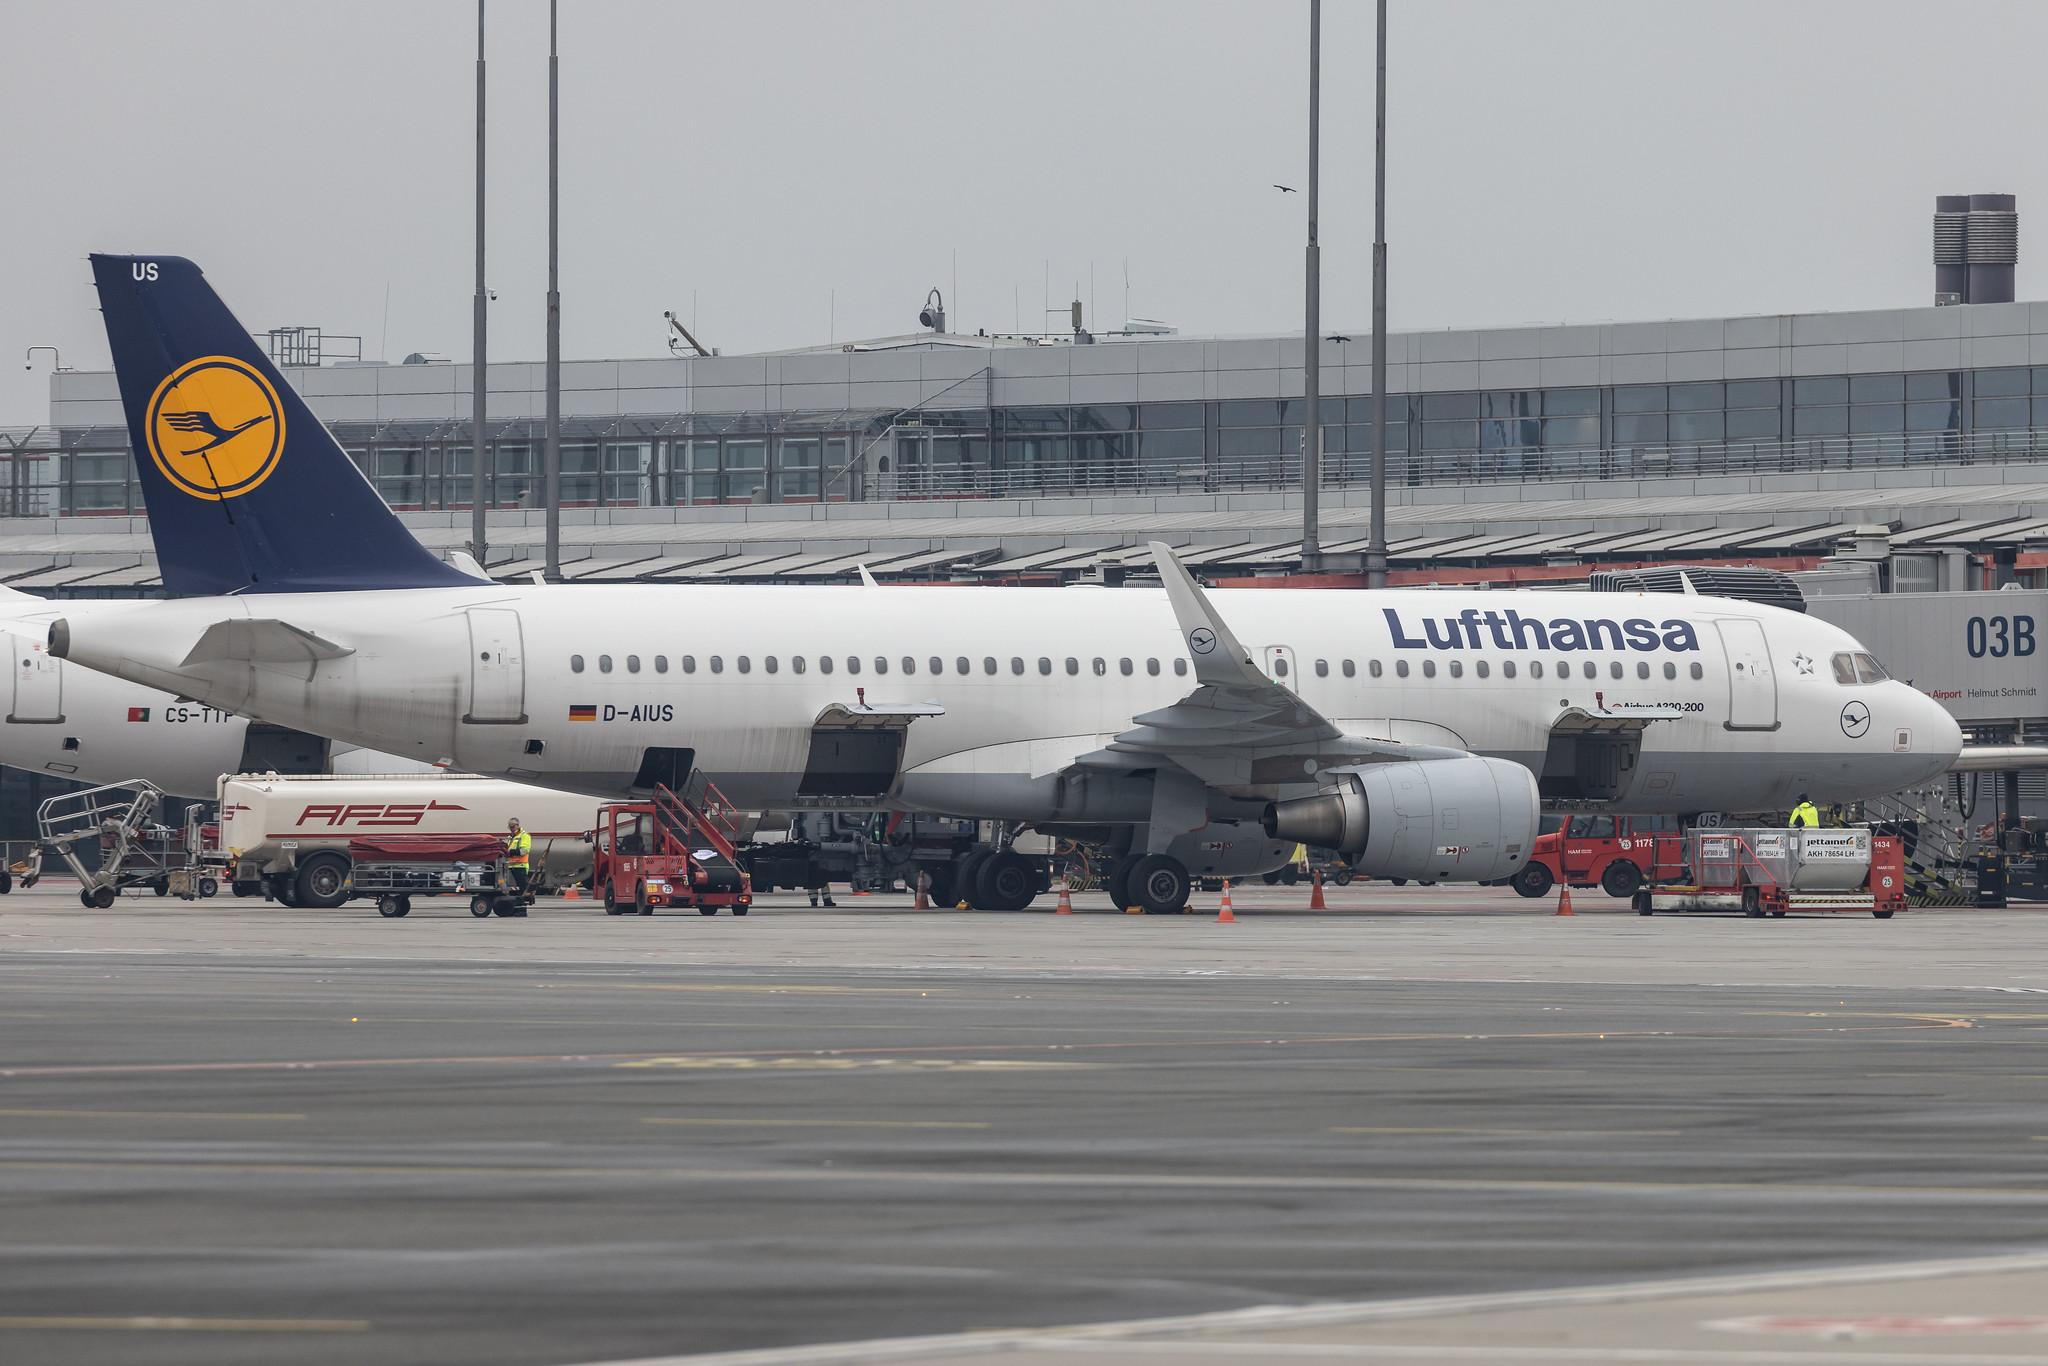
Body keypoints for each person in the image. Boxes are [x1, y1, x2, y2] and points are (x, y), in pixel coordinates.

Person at [505, 817, 533, 897]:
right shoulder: (510, 837)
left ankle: (523, 903)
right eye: (510, 827)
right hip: (512, 865)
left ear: (517, 825)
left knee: (523, 888)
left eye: (513, 827)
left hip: (521, 865)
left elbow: (525, 850)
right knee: (519, 889)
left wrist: (511, 852)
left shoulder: (524, 836)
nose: (511, 829)